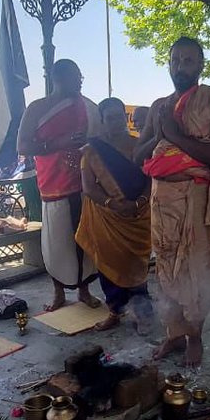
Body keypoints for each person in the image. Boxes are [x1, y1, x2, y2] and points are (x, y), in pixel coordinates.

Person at [135, 36, 210, 368]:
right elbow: (138, 154)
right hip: (162, 201)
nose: (181, 67)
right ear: (169, 64)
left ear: (201, 65)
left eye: (189, 60)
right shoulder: (159, 107)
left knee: (197, 271)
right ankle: (174, 333)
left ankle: (195, 338)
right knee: (165, 269)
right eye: (176, 60)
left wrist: (175, 137)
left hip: (196, 199)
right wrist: (161, 139)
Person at [16, 59, 101, 311]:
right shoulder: (37, 108)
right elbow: (22, 146)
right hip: (53, 185)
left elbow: (99, 139)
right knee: (57, 242)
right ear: (59, 78)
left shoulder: (87, 107)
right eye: (76, 77)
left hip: (85, 183)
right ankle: (58, 292)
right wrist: (58, 143)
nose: (80, 81)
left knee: (84, 239)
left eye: (81, 77)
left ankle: (84, 290)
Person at [75, 97, 154, 333]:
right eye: (110, 118)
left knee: (135, 265)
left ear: (125, 118)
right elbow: (88, 188)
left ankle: (143, 314)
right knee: (108, 264)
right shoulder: (91, 151)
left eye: (119, 117)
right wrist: (113, 205)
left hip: (138, 217)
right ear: (102, 121)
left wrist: (139, 202)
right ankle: (115, 311)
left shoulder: (140, 145)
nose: (115, 122)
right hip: (106, 217)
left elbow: (151, 178)